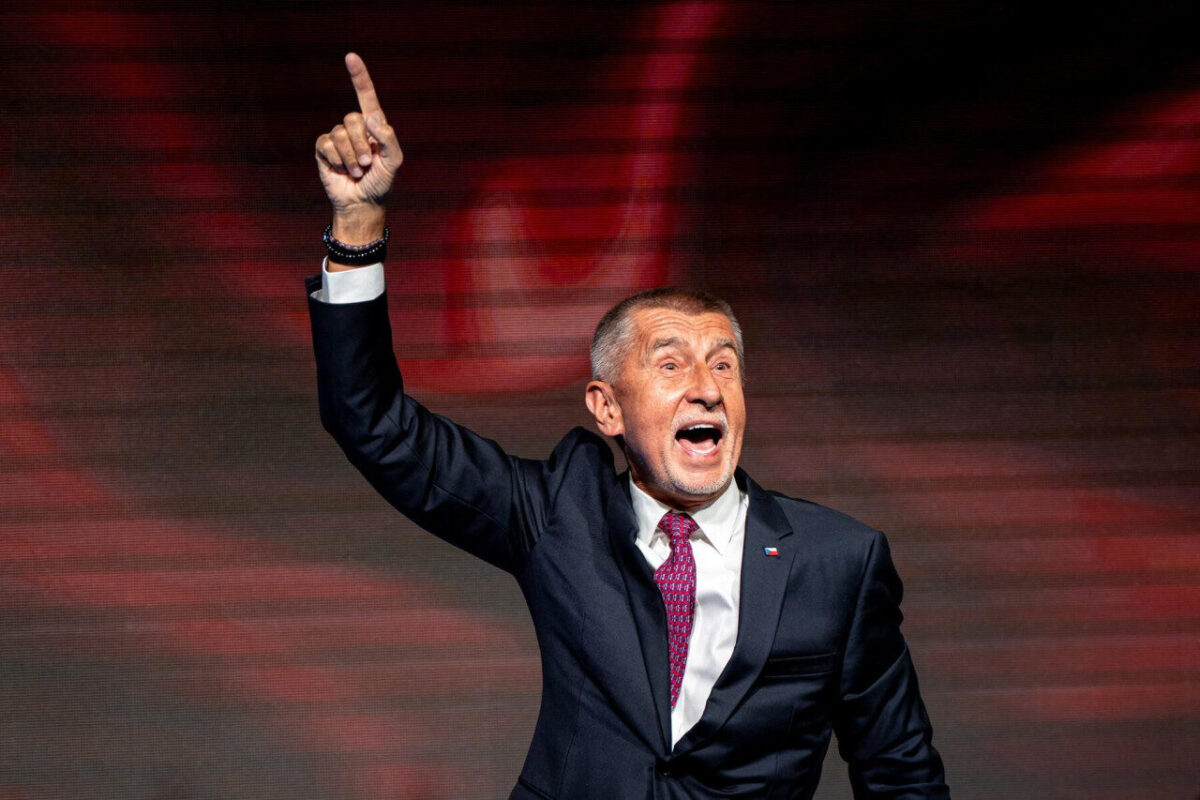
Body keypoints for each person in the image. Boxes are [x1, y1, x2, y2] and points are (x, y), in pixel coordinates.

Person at [309, 53, 950, 800]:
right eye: (671, 365)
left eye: (724, 365)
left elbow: (900, 774)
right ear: (606, 408)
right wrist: (357, 226)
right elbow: (374, 424)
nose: (707, 389)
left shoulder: (838, 560)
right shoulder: (561, 515)